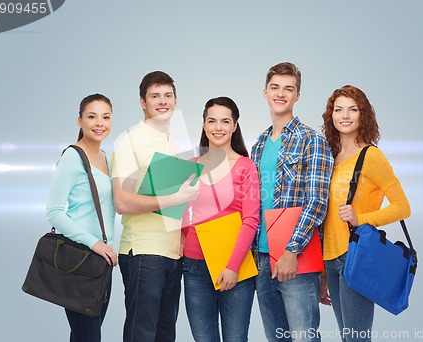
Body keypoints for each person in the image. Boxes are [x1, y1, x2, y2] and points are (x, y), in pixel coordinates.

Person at [111, 71, 199, 342]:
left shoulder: (173, 142)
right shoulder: (130, 141)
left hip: (172, 255)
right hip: (143, 254)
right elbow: (122, 201)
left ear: (175, 100)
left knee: (164, 335)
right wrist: (175, 199)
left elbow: (177, 202)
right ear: (142, 102)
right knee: (142, 334)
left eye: (168, 95)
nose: (163, 101)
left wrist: (183, 235)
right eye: (155, 96)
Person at [321, 85, 411, 342]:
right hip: (330, 259)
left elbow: (402, 206)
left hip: (355, 256)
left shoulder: (371, 156)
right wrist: (322, 272)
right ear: (332, 115)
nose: (345, 115)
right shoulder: (331, 156)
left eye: (353, 109)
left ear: (363, 115)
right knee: (347, 337)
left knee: (356, 339)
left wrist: (361, 219)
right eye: (339, 110)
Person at [251, 62, 334, 342]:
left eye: (289, 89)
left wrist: (291, 250)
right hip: (261, 258)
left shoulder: (312, 140)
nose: (280, 94)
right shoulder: (259, 145)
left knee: (303, 338)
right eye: (275, 87)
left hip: (296, 259)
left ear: (297, 96)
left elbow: (317, 202)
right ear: (265, 93)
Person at [181, 96, 260, 341]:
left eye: (225, 121)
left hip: (235, 265)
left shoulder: (246, 166)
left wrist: (232, 266)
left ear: (235, 126)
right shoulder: (192, 165)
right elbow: (182, 211)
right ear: (204, 125)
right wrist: (183, 241)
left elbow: (251, 220)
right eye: (212, 121)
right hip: (195, 266)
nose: (218, 128)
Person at [46, 93, 117, 342]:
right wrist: (95, 243)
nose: (99, 123)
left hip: (103, 264)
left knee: (83, 336)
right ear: (79, 121)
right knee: (89, 336)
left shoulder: (107, 159)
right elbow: (54, 211)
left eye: (106, 117)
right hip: (79, 261)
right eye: (92, 116)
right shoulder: (72, 158)